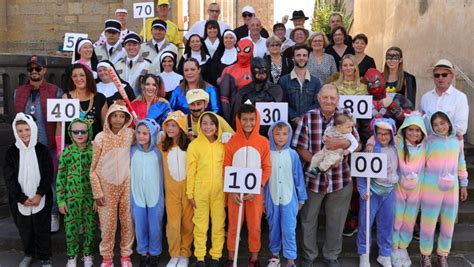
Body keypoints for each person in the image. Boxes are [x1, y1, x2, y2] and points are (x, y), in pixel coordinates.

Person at [292, 84, 359, 267]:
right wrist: (319, 163)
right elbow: (299, 147)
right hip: (313, 180)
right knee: (308, 219)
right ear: (319, 99)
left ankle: (331, 256)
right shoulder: (308, 117)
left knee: (336, 221)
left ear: (337, 99)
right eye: (325, 98)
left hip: (340, 178)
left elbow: (356, 144)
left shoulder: (345, 117)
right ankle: (309, 256)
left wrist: (340, 144)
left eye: (332, 98)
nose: (329, 101)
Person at [14, 55, 62, 233]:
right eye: (31, 69)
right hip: (27, 147)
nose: (34, 71)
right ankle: (33, 213)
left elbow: (59, 122)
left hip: (47, 144)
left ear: (44, 70)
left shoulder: (55, 91)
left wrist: (58, 144)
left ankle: (53, 213)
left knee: (51, 180)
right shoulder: (18, 92)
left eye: (38, 68)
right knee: (29, 180)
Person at [224, 104, 272, 267]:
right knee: (233, 225)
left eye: (252, 119)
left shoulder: (263, 142)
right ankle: (231, 257)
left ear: (257, 119)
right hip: (235, 192)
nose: (248, 123)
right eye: (244, 119)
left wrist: (259, 186)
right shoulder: (231, 142)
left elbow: (267, 167)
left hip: (255, 193)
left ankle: (254, 258)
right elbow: (226, 166)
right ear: (238, 120)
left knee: (254, 225)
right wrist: (231, 191)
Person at [4, 113, 53, 267]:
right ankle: (29, 253)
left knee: (42, 229)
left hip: (41, 197)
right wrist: (21, 198)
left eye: (27, 129)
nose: (24, 133)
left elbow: (47, 174)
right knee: (25, 229)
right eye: (20, 131)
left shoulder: (42, 150)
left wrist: (39, 194)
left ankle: (45, 256)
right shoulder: (11, 152)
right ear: (15, 132)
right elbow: (9, 178)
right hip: (20, 200)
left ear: (33, 129)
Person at [420, 111, 469, 267]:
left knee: (448, 222)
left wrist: (463, 184)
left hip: (452, 187)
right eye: (435, 124)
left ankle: (443, 255)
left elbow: (461, 163)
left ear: (449, 123)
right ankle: (425, 255)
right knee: (428, 222)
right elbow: (420, 163)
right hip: (431, 186)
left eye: (442, 123)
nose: (439, 127)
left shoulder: (457, 141)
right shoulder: (428, 141)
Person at [90, 102, 134, 267]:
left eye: (121, 116)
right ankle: (107, 258)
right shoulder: (100, 137)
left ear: (126, 118)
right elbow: (92, 170)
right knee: (108, 226)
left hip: (125, 186)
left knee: (127, 222)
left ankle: (125, 256)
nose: (117, 119)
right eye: (114, 116)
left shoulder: (131, 134)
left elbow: (150, 135)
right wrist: (97, 192)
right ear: (108, 117)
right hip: (106, 189)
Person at [265, 121, 307, 267]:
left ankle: (290, 259)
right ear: (271, 135)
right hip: (272, 197)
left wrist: (301, 198)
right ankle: (275, 256)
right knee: (273, 227)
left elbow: (298, 177)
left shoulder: (293, 154)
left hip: (289, 198)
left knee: (289, 229)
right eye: (277, 134)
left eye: (284, 134)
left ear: (289, 135)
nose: (281, 137)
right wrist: (264, 201)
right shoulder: (267, 154)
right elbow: (264, 179)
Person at [357, 118, 398, 267]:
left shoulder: (396, 148)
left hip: (389, 192)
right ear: (374, 134)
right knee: (365, 223)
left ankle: (385, 254)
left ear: (392, 134)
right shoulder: (371, 149)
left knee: (387, 223)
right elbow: (361, 172)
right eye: (379, 133)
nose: (383, 137)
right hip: (372, 191)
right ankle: (364, 253)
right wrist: (363, 190)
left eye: (387, 134)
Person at [187, 112, 226, 267]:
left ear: (217, 126)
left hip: (219, 192)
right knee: (200, 225)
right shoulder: (194, 145)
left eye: (211, 123)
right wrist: (190, 193)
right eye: (204, 123)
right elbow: (190, 171)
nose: (208, 127)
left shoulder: (223, 144)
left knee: (218, 224)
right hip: (200, 192)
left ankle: (216, 256)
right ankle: (200, 257)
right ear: (199, 125)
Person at [56, 118, 96, 267]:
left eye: (83, 131)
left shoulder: (94, 152)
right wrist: (61, 200)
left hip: (90, 199)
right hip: (71, 199)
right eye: (76, 131)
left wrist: (97, 199)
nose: (79, 134)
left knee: (90, 229)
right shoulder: (66, 153)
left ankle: (87, 255)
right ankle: (71, 257)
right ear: (70, 133)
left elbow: (99, 176)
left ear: (89, 132)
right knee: (71, 230)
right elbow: (60, 178)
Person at [391, 113, 427, 267]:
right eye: (410, 129)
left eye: (418, 130)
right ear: (404, 130)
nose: (414, 133)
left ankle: (403, 247)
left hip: (416, 189)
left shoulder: (425, 146)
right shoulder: (398, 142)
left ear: (423, 133)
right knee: (397, 217)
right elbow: (380, 135)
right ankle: (393, 248)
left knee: (410, 219)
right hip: (399, 186)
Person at [159, 111, 193, 267]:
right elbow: (143, 136)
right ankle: (174, 254)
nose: (170, 129)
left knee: (188, 224)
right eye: (168, 126)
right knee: (173, 225)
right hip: (171, 193)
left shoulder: (191, 144)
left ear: (182, 127)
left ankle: (185, 253)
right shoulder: (162, 145)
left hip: (188, 192)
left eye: (174, 125)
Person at [131, 119, 165, 267]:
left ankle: (155, 253)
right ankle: (143, 252)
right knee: (139, 224)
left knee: (155, 225)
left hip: (155, 196)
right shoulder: (132, 151)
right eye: (138, 132)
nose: (141, 136)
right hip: (137, 195)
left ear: (152, 134)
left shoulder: (159, 152)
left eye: (145, 133)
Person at [230, 57, 284, 135]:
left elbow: (282, 115)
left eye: (264, 68)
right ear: (252, 70)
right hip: (250, 134)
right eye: (257, 69)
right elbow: (235, 118)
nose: (261, 72)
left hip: (273, 135)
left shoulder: (276, 90)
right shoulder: (244, 92)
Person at [60, 63, 108, 145]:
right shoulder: (66, 97)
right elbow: (60, 125)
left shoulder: (100, 98)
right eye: (74, 76)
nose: (78, 78)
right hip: (72, 149)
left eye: (82, 75)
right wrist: (59, 147)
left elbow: (105, 126)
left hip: (95, 148)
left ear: (88, 77)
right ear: (71, 78)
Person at [420, 59, 468, 138]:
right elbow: (421, 122)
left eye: (444, 75)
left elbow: (461, 126)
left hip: (450, 145)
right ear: (433, 77)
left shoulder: (460, 97)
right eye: (437, 75)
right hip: (429, 145)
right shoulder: (425, 98)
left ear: (451, 76)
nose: (440, 78)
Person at [278, 44, 321, 128]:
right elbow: (282, 102)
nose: (301, 58)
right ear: (293, 57)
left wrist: (304, 117)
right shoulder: (284, 80)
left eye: (304, 55)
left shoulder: (315, 81)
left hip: (309, 124)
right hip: (289, 124)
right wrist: (294, 117)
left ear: (308, 58)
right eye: (298, 55)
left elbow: (317, 103)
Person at [219, 39, 254, 121]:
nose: (242, 54)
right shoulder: (228, 70)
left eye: (246, 50)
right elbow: (224, 98)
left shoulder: (256, 70)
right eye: (239, 50)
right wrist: (229, 119)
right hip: (233, 112)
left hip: (253, 112)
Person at [115, 32, 156, 96]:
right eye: (129, 45)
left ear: (139, 46)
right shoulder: (117, 65)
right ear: (125, 47)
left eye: (134, 45)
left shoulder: (148, 65)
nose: (131, 47)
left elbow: (153, 86)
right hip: (122, 102)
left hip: (141, 101)